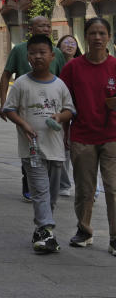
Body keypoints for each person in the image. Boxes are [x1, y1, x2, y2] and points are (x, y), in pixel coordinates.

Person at [1, 34, 75, 254]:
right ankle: (47, 232)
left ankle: (42, 230)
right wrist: (23, 124)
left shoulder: (60, 85)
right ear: (28, 57)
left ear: (52, 56)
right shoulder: (22, 83)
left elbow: (69, 110)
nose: (37, 57)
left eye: (42, 52)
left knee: (51, 195)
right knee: (40, 191)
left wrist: (60, 119)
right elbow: (9, 109)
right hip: (31, 148)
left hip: (55, 148)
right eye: (33, 53)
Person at [60, 17, 116, 254]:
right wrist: (65, 132)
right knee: (85, 189)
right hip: (82, 135)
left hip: (112, 135)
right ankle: (84, 231)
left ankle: (115, 237)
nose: (97, 38)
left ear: (109, 37)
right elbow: (63, 102)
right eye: (92, 33)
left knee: (113, 188)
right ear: (86, 36)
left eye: (102, 33)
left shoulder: (115, 65)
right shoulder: (73, 68)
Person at [0, 15, 67, 201]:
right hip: (26, 106)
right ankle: (29, 185)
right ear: (31, 28)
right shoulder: (20, 50)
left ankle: (49, 187)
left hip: (52, 108)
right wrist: (3, 102)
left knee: (51, 146)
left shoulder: (56, 53)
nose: (45, 28)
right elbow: (6, 75)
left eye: (47, 25)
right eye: (40, 26)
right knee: (29, 144)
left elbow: (65, 79)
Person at [57, 34, 82, 197]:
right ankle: (64, 184)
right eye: (65, 42)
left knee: (80, 151)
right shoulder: (54, 65)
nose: (69, 45)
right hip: (60, 112)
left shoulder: (82, 65)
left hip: (79, 112)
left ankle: (88, 186)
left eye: (73, 43)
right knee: (63, 149)